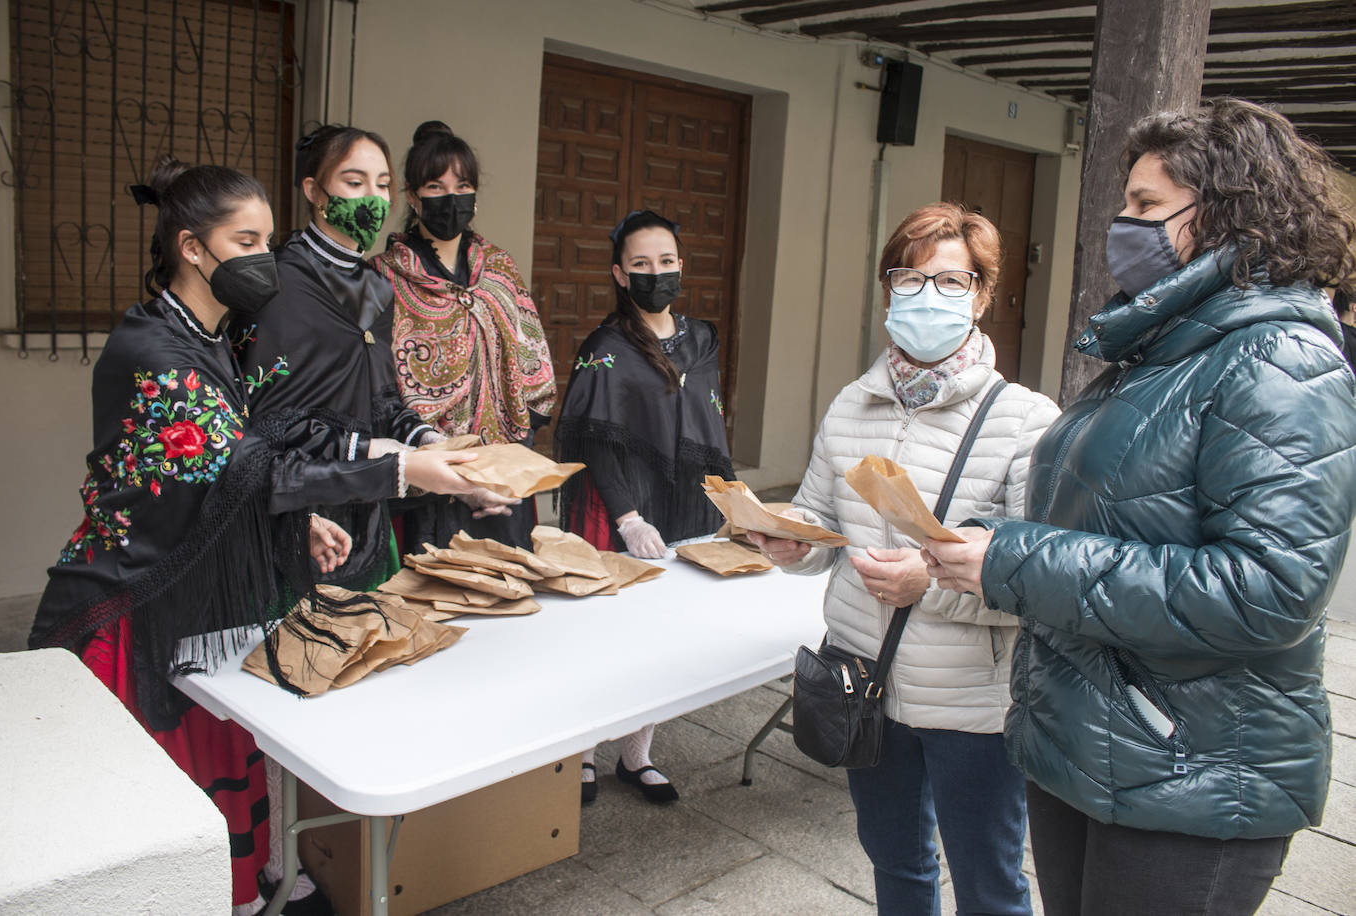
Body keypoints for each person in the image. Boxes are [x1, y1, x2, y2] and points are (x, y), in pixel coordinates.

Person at [28, 157, 506, 915]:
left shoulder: (212, 335)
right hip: (139, 599)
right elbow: (257, 468)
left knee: (230, 762)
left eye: (268, 239)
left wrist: (302, 517)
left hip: (202, 594)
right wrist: (404, 472)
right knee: (163, 817)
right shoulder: (153, 351)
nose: (263, 259)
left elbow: (243, 461)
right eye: (245, 241)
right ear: (193, 248)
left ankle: (252, 891)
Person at [924, 99, 1356, 916]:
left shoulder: (1280, 358)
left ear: (1226, 214)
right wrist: (998, 544)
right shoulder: (1163, 347)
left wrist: (1016, 563)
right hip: (1095, 743)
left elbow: (1270, 591)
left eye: (1147, 207)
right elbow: (1115, 522)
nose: (1123, 225)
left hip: (1194, 768)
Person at [747, 202, 1057, 915]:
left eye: (952, 283)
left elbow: (1039, 575)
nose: (928, 298)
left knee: (989, 880)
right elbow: (821, 514)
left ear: (982, 295)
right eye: (910, 280)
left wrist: (931, 582)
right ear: (888, 290)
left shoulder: (1026, 420)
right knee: (896, 863)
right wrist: (792, 539)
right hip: (864, 678)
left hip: (972, 703)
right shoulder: (853, 403)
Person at [232, 125, 515, 593]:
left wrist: (431, 445)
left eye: (382, 185)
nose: (373, 198)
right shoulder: (278, 284)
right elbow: (265, 420)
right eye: (354, 182)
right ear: (314, 191)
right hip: (300, 520)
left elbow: (381, 399)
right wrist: (368, 451)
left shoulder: (376, 287)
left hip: (366, 514)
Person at [555, 209, 736, 805]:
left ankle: (636, 756)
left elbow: (708, 421)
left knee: (663, 634)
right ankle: (580, 754)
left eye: (665, 262)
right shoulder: (605, 348)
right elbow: (593, 441)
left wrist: (731, 502)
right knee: (602, 636)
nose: (655, 274)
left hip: (683, 504)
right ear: (618, 273)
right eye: (640, 266)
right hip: (621, 508)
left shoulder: (702, 339)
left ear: (681, 266)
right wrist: (628, 518)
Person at [374, 120, 556, 552]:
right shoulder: (383, 278)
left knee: (510, 591)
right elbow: (379, 382)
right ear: (412, 196)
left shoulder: (499, 267)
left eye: (463, 185)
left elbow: (532, 356)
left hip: (505, 476)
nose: (451, 198)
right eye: (435, 186)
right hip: (431, 478)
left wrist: (512, 457)